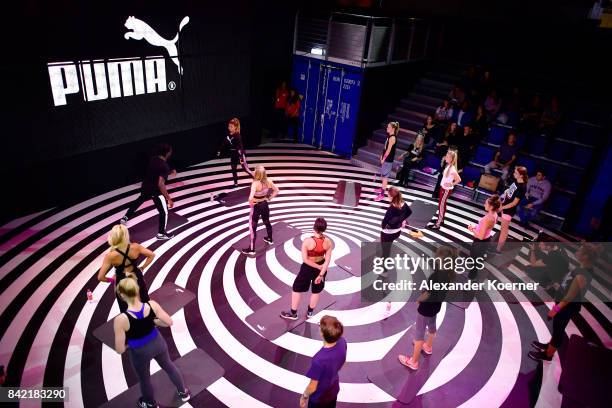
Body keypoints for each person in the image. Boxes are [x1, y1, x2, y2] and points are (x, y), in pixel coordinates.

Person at [113, 277, 191, 408]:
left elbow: (120, 349)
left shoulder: (121, 319)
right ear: (137, 290)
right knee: (169, 366)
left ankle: (149, 403)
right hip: (158, 343)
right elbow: (169, 322)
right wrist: (152, 321)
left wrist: (129, 342)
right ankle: (183, 393)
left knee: (144, 379)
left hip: (139, 352)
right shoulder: (152, 304)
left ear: (121, 295)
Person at [528, 244, 597, 361]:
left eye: (580, 251)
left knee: (558, 331)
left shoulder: (581, 275)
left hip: (566, 308)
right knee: (557, 330)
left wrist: (554, 310)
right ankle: (549, 346)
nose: (576, 252)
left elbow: (569, 297)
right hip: (564, 305)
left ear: (585, 256)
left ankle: (548, 355)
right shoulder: (583, 268)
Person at [398, 246, 457, 370]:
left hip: (426, 308)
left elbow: (428, 293)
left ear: (440, 259)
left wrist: (419, 299)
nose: (435, 258)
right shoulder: (449, 274)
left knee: (419, 333)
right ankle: (428, 346)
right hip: (436, 306)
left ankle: (413, 361)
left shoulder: (436, 276)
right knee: (432, 325)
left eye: (437, 256)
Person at [121, 143, 176, 240]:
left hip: (146, 186)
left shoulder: (153, 159)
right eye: (170, 151)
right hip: (156, 191)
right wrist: (169, 198)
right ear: (167, 153)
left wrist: (170, 172)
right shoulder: (164, 166)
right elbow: (160, 184)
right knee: (164, 212)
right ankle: (161, 234)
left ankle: (125, 217)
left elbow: (156, 172)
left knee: (139, 200)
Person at [281, 218, 333, 320]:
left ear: (314, 227)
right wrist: (321, 273)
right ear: (324, 229)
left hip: (308, 268)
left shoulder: (307, 241)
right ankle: (310, 312)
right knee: (316, 291)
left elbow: (305, 260)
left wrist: (317, 267)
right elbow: (327, 261)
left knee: (296, 288)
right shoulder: (328, 242)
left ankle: (293, 313)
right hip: (321, 267)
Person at [98, 225, 154, 313]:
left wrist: (111, 280)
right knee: (143, 300)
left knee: (125, 307)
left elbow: (100, 277)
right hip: (136, 276)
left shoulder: (110, 256)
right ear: (126, 235)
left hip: (122, 281)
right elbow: (151, 255)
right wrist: (142, 267)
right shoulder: (136, 247)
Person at [299, 315, 346, 408]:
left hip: (319, 398)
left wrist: (304, 397)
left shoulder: (319, 360)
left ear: (322, 333)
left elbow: (313, 386)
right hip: (333, 390)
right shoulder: (342, 342)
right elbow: (343, 361)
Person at [380, 187, 412, 316]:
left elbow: (385, 224)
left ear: (391, 196)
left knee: (385, 251)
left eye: (388, 195)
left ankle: (384, 270)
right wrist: (400, 221)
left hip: (388, 233)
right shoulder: (403, 204)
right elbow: (409, 212)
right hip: (397, 233)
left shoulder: (391, 208)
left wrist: (388, 225)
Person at [242, 166, 279, 256]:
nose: (253, 172)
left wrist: (252, 205)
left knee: (253, 227)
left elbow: (250, 198)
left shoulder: (255, 184)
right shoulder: (269, 181)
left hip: (256, 207)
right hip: (265, 205)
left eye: (255, 171)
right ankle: (269, 238)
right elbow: (277, 190)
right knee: (267, 222)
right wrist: (269, 198)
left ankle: (252, 250)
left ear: (257, 174)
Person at [496, 166, 528, 252]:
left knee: (504, 230)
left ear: (521, 175)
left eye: (516, 173)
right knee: (503, 229)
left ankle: (498, 249)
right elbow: (509, 191)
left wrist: (502, 207)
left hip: (509, 210)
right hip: (505, 205)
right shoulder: (516, 181)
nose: (514, 174)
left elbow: (514, 203)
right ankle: (499, 246)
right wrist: (503, 197)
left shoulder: (522, 187)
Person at [467, 195, 500, 278]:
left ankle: (471, 278)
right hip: (486, 239)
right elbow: (486, 228)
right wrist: (477, 227)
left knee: (474, 260)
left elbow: (481, 236)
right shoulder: (495, 214)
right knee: (478, 257)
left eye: (486, 204)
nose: (484, 205)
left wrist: (472, 229)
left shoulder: (487, 219)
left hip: (480, 242)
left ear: (491, 206)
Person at [217, 118, 254, 187]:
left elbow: (240, 147)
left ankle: (256, 179)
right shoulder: (228, 135)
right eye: (229, 126)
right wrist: (219, 150)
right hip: (233, 154)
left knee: (245, 169)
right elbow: (223, 143)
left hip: (239, 154)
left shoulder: (237, 136)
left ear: (235, 127)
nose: (229, 128)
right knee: (233, 169)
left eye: (231, 127)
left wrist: (241, 157)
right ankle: (235, 183)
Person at [430, 150, 461, 229]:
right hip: (443, 188)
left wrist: (451, 184)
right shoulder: (448, 166)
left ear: (451, 158)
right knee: (442, 204)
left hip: (446, 190)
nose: (445, 157)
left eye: (447, 156)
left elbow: (458, 179)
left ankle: (438, 224)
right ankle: (441, 219)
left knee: (441, 205)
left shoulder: (452, 169)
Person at [375, 122, 398, 202]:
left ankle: (381, 194)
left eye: (388, 127)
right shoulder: (389, 136)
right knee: (383, 176)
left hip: (388, 160)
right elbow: (385, 148)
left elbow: (388, 151)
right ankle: (381, 188)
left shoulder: (392, 138)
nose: (387, 128)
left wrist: (383, 159)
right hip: (385, 159)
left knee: (385, 178)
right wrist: (382, 156)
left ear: (393, 128)